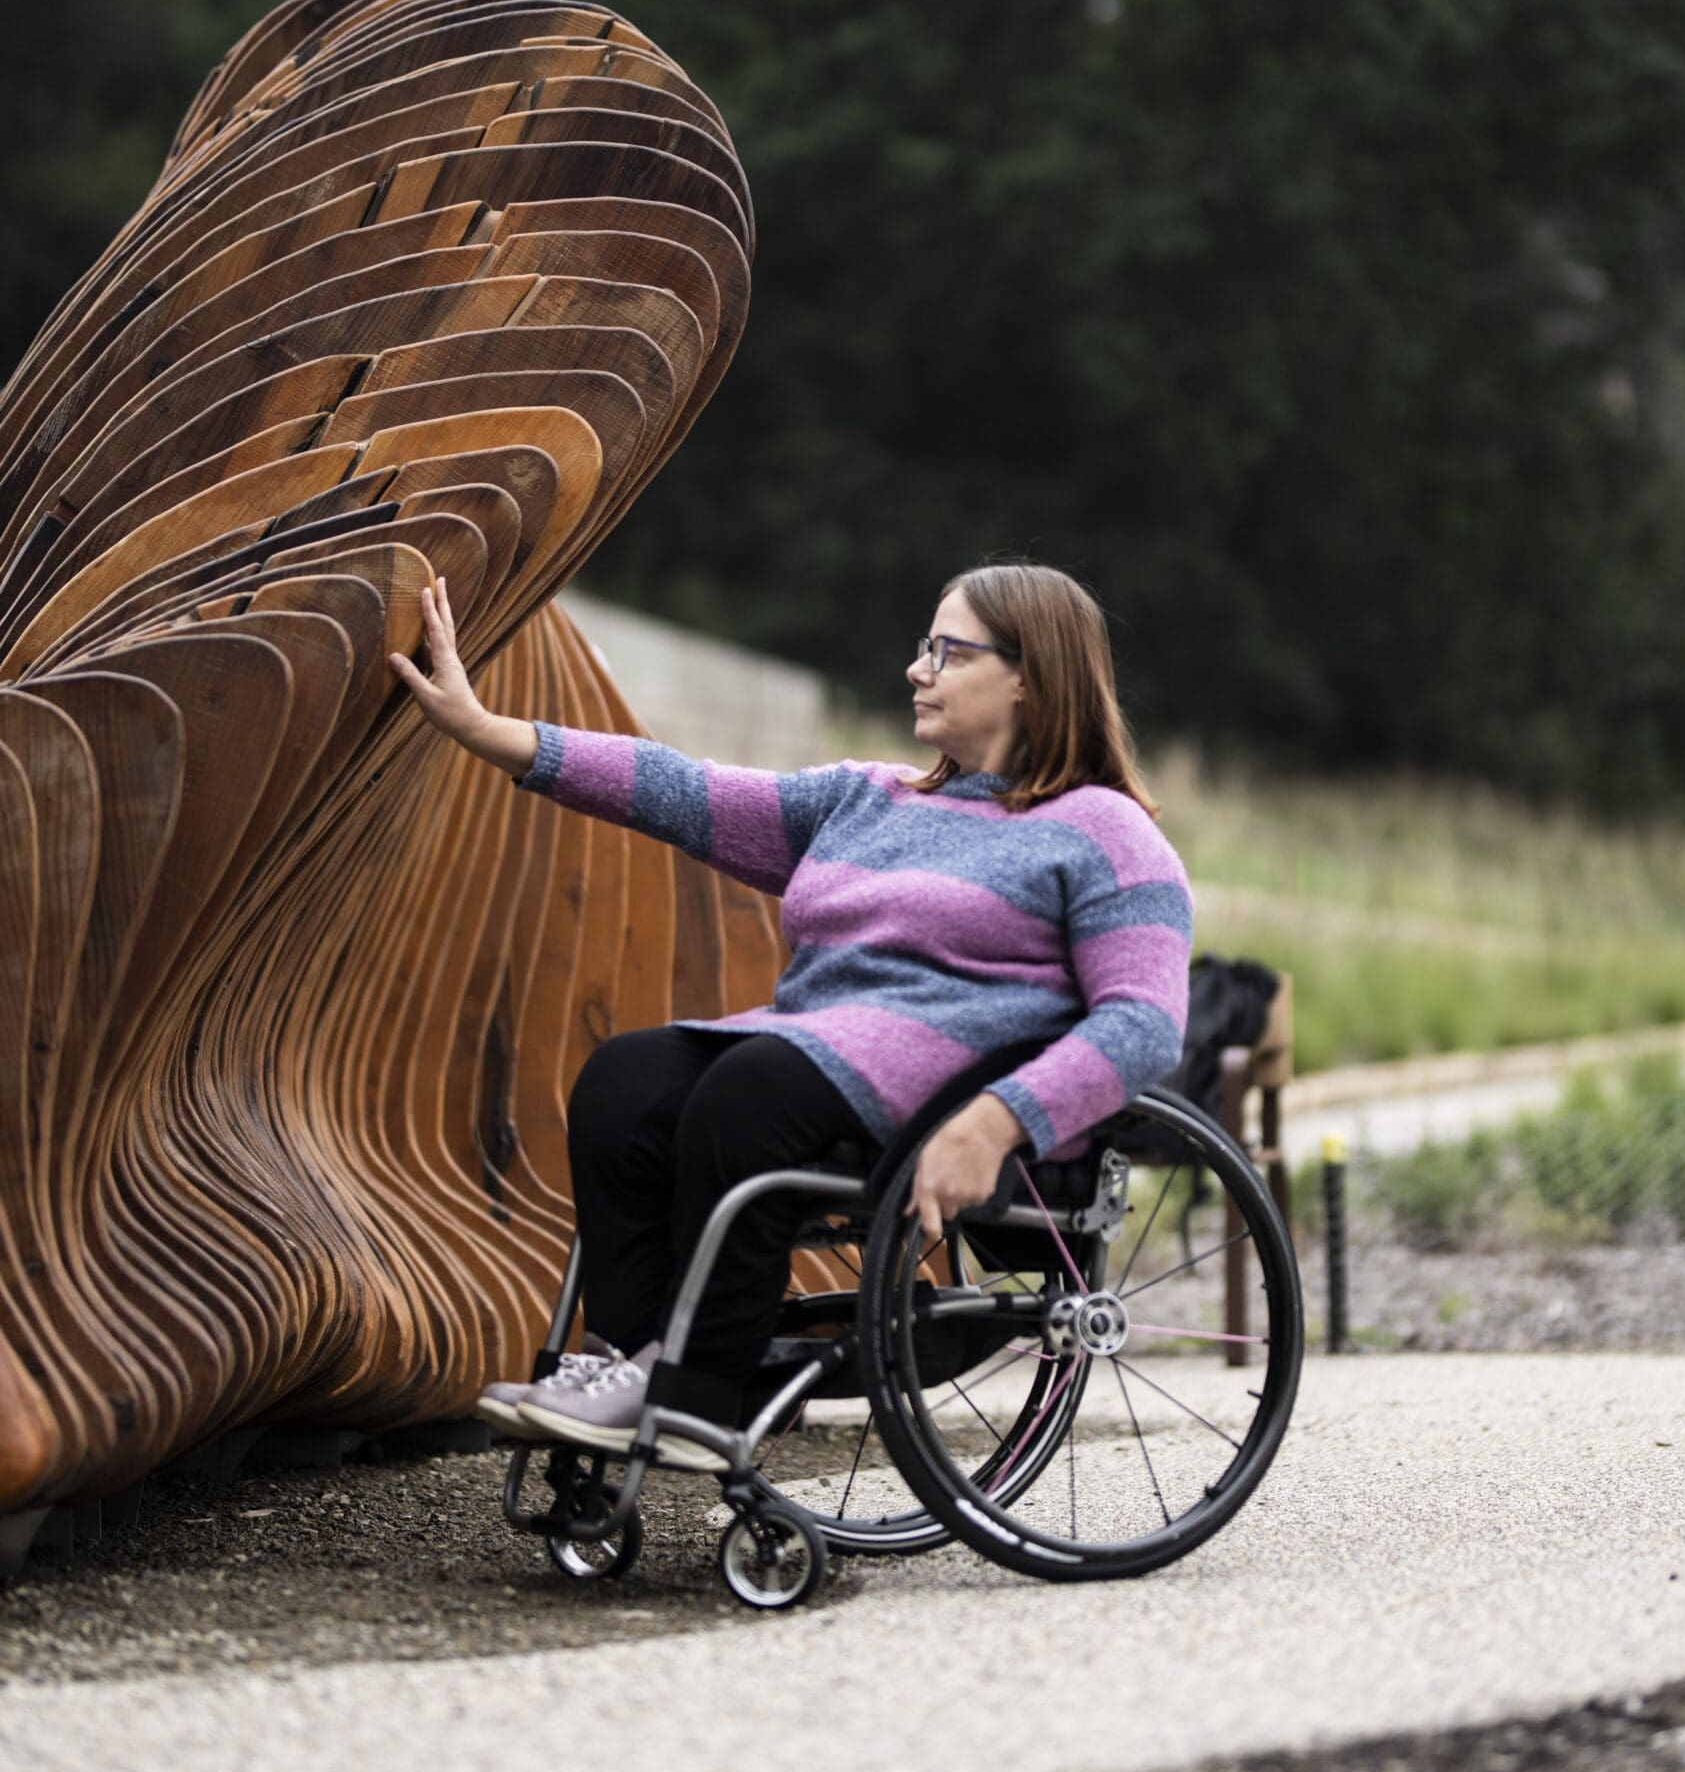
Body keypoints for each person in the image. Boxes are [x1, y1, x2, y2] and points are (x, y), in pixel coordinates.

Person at [388, 562, 1192, 1464]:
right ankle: (636, 1364)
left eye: (947, 651)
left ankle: (703, 1396)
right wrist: (488, 731)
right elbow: (679, 790)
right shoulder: (868, 798)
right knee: (626, 1080)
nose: (916, 670)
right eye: (924, 648)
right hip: (811, 1057)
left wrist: (1000, 1123)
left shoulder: (1108, 833)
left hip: (948, 1091)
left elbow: (1145, 1024)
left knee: (749, 1091)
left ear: (1029, 676)